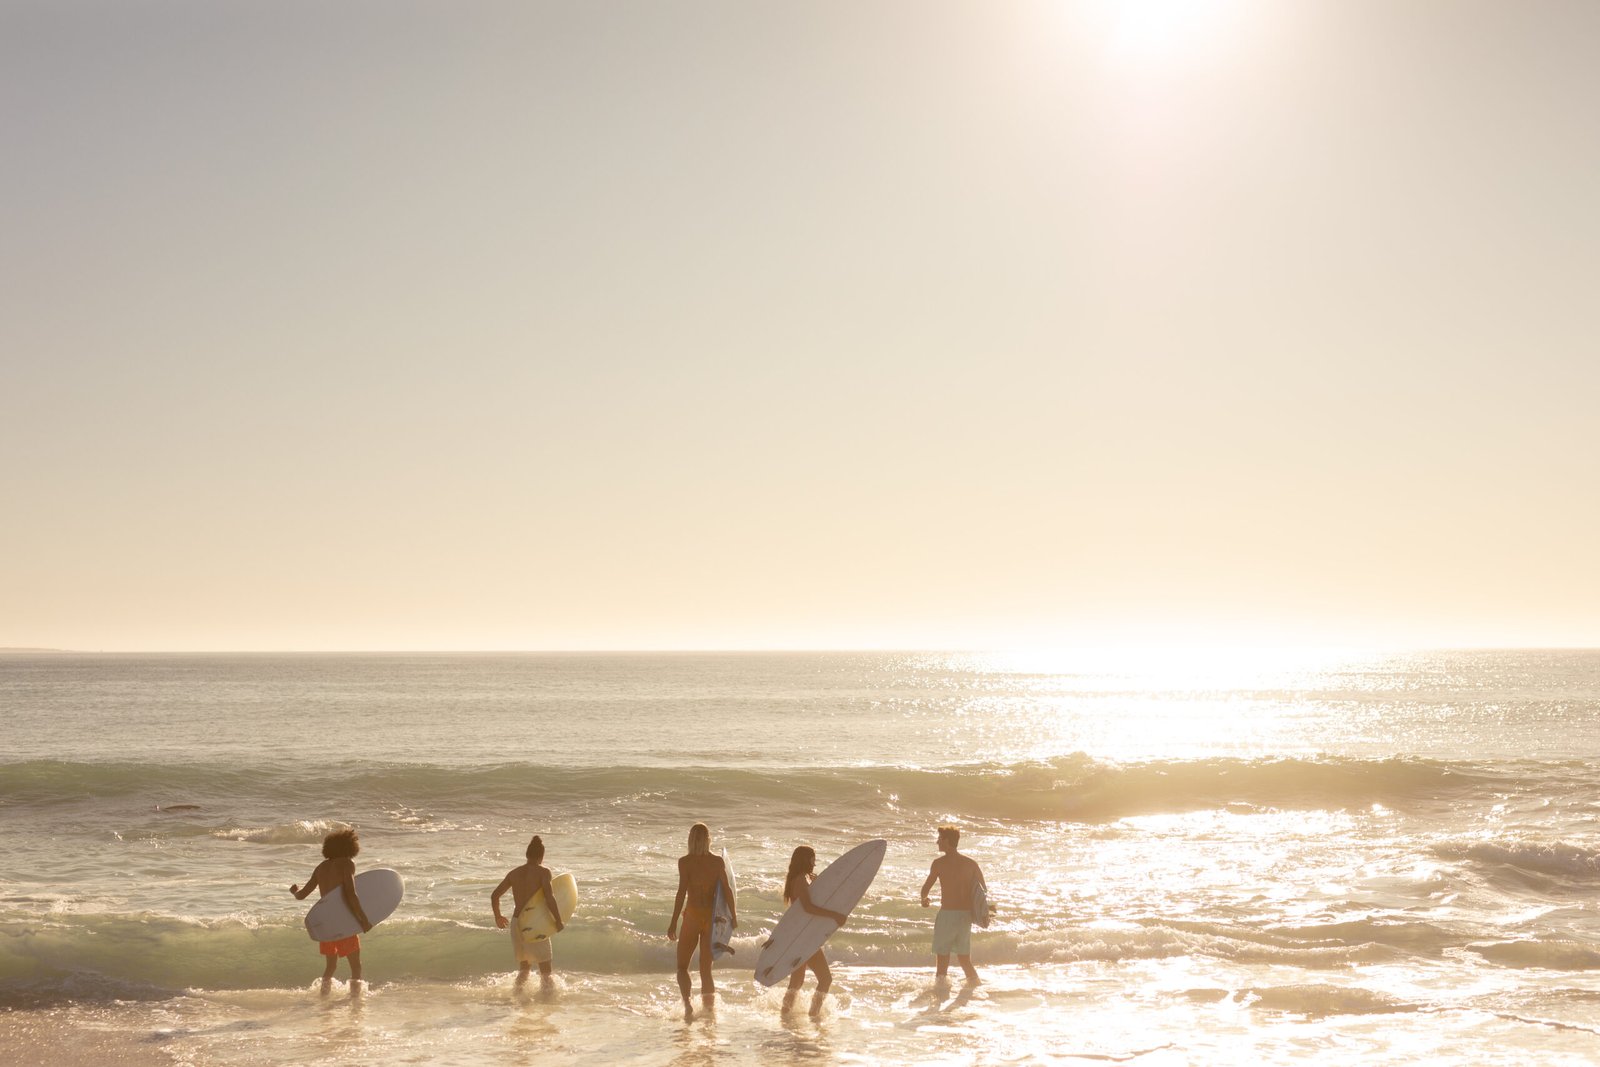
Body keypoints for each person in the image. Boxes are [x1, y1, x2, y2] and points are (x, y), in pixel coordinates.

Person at [290, 827, 372, 992]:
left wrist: (294, 892)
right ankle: (356, 1002)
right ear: (350, 847)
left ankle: (324, 997)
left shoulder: (321, 867)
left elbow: (302, 895)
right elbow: (350, 893)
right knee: (355, 966)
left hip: (325, 922)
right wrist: (364, 919)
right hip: (342, 921)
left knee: (331, 966)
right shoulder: (347, 864)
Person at [667, 822, 735, 1015]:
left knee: (682, 967)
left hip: (692, 916)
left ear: (690, 839)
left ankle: (688, 1005)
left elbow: (681, 893)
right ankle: (709, 1011)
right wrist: (733, 917)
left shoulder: (685, 862)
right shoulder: (717, 863)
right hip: (711, 918)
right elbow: (728, 891)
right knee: (706, 970)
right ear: (708, 840)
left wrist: (673, 922)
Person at [779, 845, 848, 1014]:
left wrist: (817, 884)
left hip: (800, 934)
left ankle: (785, 1015)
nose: (814, 862)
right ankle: (813, 1014)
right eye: (812, 858)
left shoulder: (799, 878)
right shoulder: (801, 878)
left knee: (797, 982)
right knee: (825, 979)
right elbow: (808, 907)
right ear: (806, 859)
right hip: (805, 937)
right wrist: (834, 915)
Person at [491, 834, 564, 987]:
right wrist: (558, 920)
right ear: (541, 856)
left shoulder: (514, 873)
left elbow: (495, 895)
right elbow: (549, 898)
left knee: (524, 968)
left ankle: (517, 998)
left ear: (527, 854)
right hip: (534, 923)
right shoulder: (544, 872)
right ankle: (547, 1003)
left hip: (517, 923)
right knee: (545, 970)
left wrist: (498, 917)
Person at [919, 825, 985, 985]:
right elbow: (983, 891)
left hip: (947, 915)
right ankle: (976, 986)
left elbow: (925, 889)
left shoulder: (939, 863)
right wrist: (985, 912)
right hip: (965, 916)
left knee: (942, 958)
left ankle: (940, 993)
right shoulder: (971, 864)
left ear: (947, 841)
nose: (937, 842)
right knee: (964, 958)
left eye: (940, 839)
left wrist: (924, 899)